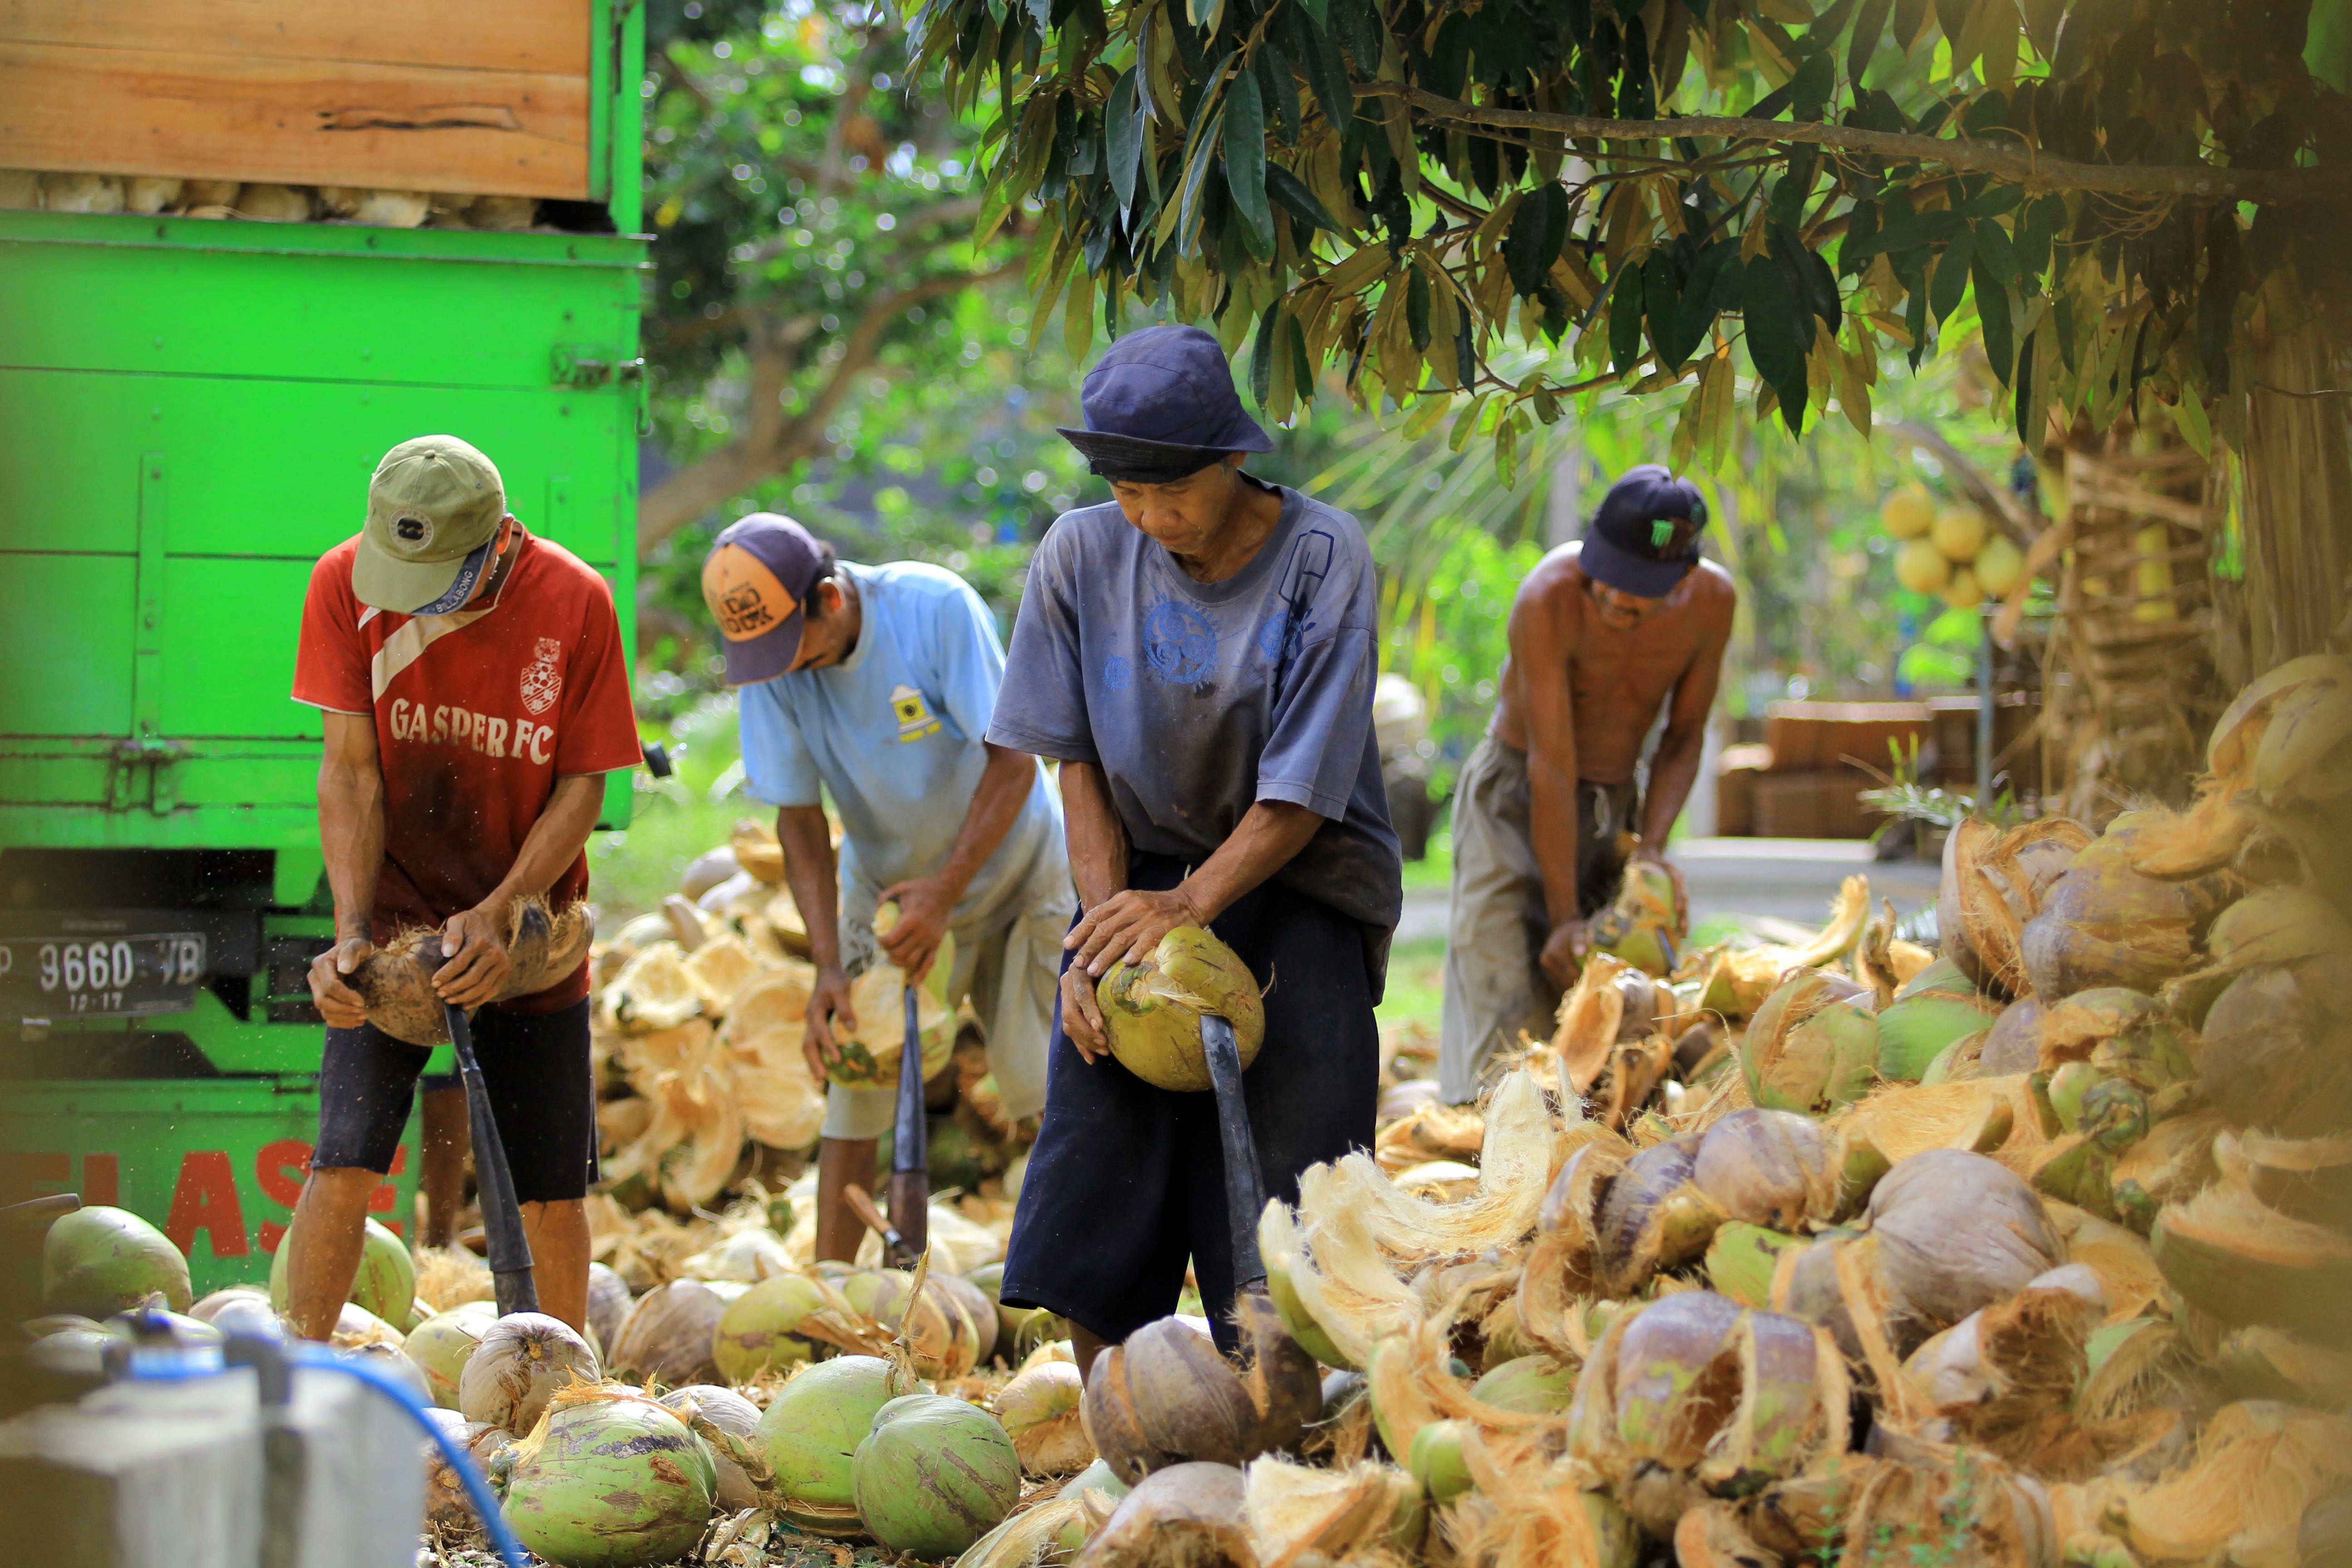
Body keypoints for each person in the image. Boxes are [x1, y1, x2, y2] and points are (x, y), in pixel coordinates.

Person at [987, 324, 1402, 1372]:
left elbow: (1304, 789)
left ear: (1233, 463)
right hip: (1141, 874)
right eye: (1125, 491)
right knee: (1098, 1158)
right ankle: (1117, 1430)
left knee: (1292, 1187)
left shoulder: (1322, 557)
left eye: (1169, 492)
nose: (1147, 516)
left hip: (1299, 876)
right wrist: (1100, 927)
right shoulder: (1080, 553)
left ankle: (1285, 1418)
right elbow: (1074, 760)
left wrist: (1190, 906)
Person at [289, 434, 642, 1337]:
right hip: (402, 916)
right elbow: (350, 770)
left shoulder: (574, 601)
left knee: (549, 1185)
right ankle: (293, 1375)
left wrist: (506, 906)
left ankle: (565, 1398)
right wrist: (352, 933)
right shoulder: (340, 583)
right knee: (345, 1157)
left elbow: (583, 784)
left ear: (496, 544)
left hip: (532, 930)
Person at [705, 514, 1072, 1261]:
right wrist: (828, 969)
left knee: (1049, 1095)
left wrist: (948, 887)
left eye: (792, 645)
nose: (781, 668)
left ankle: (1081, 1292)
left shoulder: (932, 609)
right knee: (854, 1095)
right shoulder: (769, 666)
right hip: (890, 895)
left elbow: (1015, 760)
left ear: (831, 599)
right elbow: (800, 823)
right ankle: (836, 1306)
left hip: (1021, 873)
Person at [1436, 465, 1735, 1104]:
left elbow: (1683, 737)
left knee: (1596, 992)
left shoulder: (1713, 604)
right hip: (1519, 790)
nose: (1615, 597)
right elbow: (1552, 763)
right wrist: (1565, 913)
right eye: (1609, 572)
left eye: (1639, 588)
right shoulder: (1549, 596)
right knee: (1502, 976)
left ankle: (1577, 1149)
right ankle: (1475, 1147)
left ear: (1684, 577)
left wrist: (1650, 850)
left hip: (1612, 801)